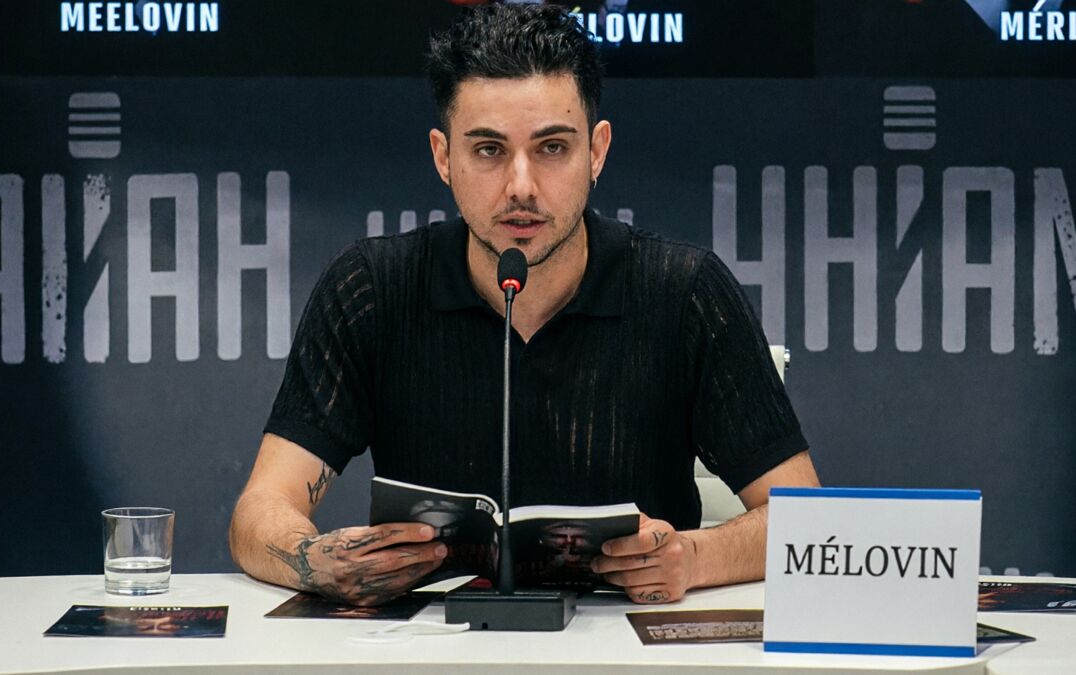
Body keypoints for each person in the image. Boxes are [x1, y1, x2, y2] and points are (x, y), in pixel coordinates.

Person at [229, 3, 820, 608]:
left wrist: (693, 558)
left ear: (597, 151)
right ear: (443, 157)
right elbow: (260, 511)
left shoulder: (684, 291)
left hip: (624, 644)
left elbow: (804, 520)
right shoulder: (372, 289)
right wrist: (316, 561)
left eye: (552, 148)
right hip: (432, 645)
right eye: (488, 150)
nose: (521, 187)